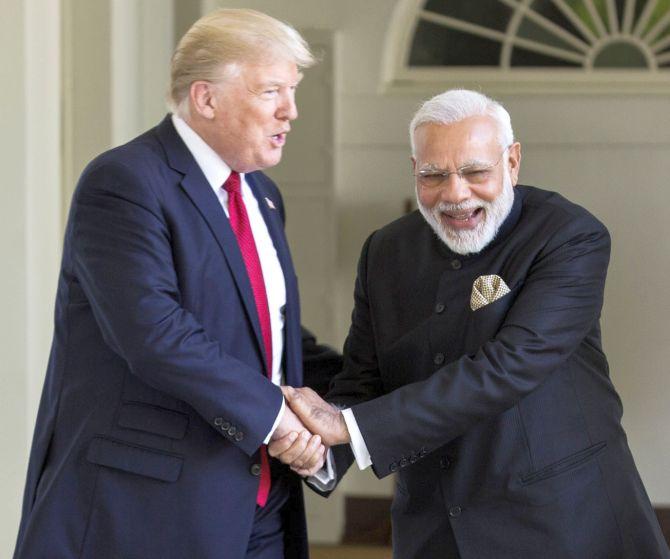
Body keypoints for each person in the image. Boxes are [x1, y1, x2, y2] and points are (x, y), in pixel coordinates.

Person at [271, 89, 670, 558]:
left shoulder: (569, 236)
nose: (455, 193)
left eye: (475, 171)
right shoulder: (384, 250)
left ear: (513, 161)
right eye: (433, 175)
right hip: (433, 531)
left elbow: (508, 367)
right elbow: (363, 381)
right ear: (414, 170)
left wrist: (348, 427)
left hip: (563, 522)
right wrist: (319, 450)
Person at [13, 9, 339, 559]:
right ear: (206, 98)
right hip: (149, 510)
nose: (292, 110)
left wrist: (354, 409)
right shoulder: (124, 182)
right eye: (271, 91)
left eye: (293, 90)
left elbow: (270, 338)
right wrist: (280, 420)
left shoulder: (262, 195)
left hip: (261, 508)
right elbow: (156, 335)